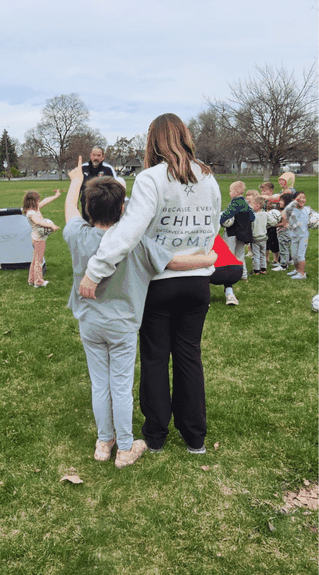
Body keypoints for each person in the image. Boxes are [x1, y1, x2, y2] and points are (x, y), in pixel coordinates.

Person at [78, 113, 221, 454]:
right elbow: (212, 228)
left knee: (156, 358)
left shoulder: (151, 178)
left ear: (152, 141)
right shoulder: (209, 178)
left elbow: (128, 231)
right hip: (196, 281)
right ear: (184, 137)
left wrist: (94, 270)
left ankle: (155, 437)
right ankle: (194, 438)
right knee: (190, 357)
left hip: (160, 282)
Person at [22, 190, 60, 287]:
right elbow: (38, 222)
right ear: (33, 202)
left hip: (37, 238)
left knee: (35, 259)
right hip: (38, 239)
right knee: (39, 261)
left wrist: (55, 196)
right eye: (38, 200)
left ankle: (31, 280)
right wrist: (52, 226)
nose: (39, 202)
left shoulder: (35, 209)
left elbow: (45, 201)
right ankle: (38, 282)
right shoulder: (31, 213)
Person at [220, 181, 255, 281]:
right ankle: (243, 275)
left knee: (229, 254)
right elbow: (252, 217)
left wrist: (220, 220)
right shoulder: (246, 204)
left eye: (231, 191)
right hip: (243, 234)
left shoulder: (234, 203)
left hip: (232, 233)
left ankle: (230, 275)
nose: (229, 193)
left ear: (237, 191)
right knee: (240, 254)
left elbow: (225, 216)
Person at [79, 147, 117, 221]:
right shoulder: (83, 168)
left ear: (103, 157)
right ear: (90, 156)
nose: (96, 157)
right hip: (86, 207)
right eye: (94, 155)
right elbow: (76, 189)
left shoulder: (108, 169)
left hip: (103, 208)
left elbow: (115, 189)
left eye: (98, 155)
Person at [284, 192, 314, 279]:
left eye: (303, 197)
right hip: (293, 235)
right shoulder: (291, 209)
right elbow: (286, 210)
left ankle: (302, 274)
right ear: (293, 200)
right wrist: (295, 202)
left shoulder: (307, 209)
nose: (302, 199)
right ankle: (297, 270)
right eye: (299, 198)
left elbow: (315, 217)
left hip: (303, 236)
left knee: (300, 255)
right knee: (294, 255)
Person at [209, 235, 243, 305]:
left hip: (216, 273)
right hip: (237, 270)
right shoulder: (218, 237)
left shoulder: (203, 239)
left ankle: (204, 297)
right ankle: (230, 294)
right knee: (226, 265)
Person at [272, 192, 294, 271]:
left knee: (283, 248)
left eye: (281, 200)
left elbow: (283, 223)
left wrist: (272, 224)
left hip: (283, 232)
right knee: (286, 248)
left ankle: (283, 265)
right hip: (288, 231)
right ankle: (289, 260)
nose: (279, 202)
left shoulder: (285, 211)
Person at [250, 196, 268, 275]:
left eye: (252, 205)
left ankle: (256, 270)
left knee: (256, 254)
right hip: (264, 237)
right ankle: (263, 269)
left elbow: (251, 226)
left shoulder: (253, 216)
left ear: (257, 206)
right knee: (263, 254)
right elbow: (271, 222)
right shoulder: (265, 214)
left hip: (256, 237)